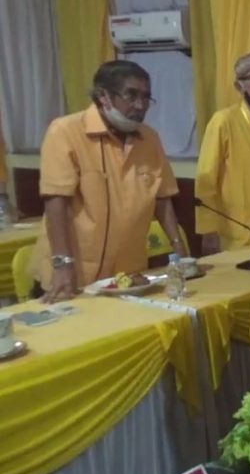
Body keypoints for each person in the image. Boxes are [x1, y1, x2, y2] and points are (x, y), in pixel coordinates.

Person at [31, 60, 186, 303]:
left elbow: (162, 197)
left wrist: (179, 249)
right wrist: (62, 265)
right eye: (131, 95)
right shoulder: (65, 131)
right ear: (103, 96)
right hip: (72, 276)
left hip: (128, 276)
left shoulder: (150, 138)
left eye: (146, 97)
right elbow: (56, 202)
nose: (140, 105)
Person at [195, 53, 250, 255]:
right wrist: (208, 231)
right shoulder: (223, 121)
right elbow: (205, 180)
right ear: (240, 86)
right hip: (236, 235)